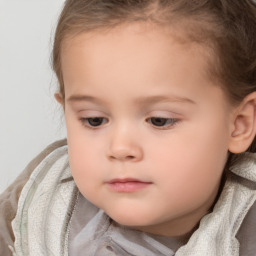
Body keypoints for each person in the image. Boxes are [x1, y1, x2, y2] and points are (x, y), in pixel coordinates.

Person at [1, 0, 256, 255]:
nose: (120, 148)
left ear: (239, 124)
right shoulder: (39, 203)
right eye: (94, 120)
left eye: (159, 120)